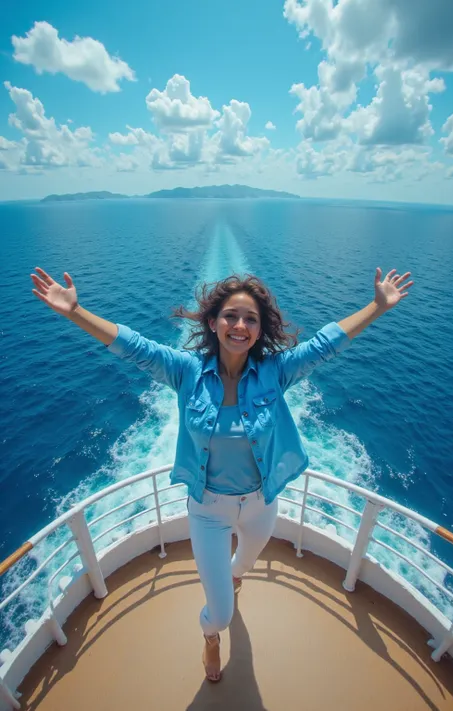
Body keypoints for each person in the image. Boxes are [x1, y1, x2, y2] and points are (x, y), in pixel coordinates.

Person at [30, 266, 413, 682]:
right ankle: (211, 637)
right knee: (222, 613)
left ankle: (232, 579)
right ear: (213, 323)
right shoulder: (185, 371)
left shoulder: (274, 372)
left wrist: (377, 307)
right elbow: (133, 346)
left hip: (261, 504)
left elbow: (325, 345)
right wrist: (75, 312)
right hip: (208, 509)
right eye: (231, 315)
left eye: (251, 319)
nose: (240, 325)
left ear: (259, 329)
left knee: (241, 568)